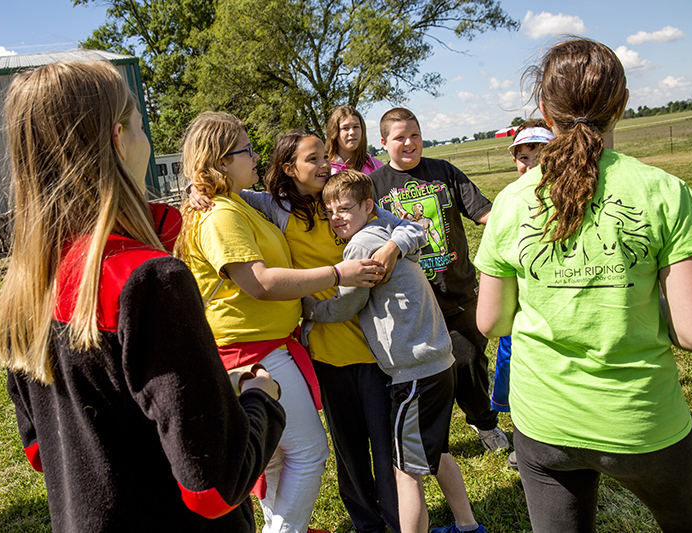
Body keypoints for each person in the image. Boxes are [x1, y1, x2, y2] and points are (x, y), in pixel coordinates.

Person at [0, 61, 285, 533]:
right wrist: (259, 397)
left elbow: (43, 450)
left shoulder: (28, 278)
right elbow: (214, 487)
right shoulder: (148, 280)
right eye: (138, 120)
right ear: (119, 139)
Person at [475, 38, 692, 532]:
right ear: (622, 104)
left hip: (544, 422)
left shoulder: (512, 202)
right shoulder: (665, 191)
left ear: (543, 110)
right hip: (642, 421)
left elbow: (491, 321)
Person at [188, 128, 425, 533]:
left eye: (325, 157)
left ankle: (394, 520)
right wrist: (197, 188)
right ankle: (365, 524)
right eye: (312, 158)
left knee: (384, 450)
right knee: (346, 452)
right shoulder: (273, 207)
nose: (325, 165)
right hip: (322, 350)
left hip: (374, 348)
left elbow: (410, 227)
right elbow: (226, 201)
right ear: (288, 169)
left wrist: (392, 247)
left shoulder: (344, 197)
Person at [301, 169, 487, 533]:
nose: (336, 217)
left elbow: (344, 307)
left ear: (368, 205)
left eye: (344, 209)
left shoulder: (359, 246)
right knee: (438, 452)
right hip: (437, 359)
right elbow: (413, 226)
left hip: (412, 371)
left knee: (406, 473)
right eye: (330, 211)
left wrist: (306, 308)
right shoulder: (385, 228)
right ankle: (468, 526)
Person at [368, 108, 509, 453]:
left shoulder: (443, 171)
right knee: (425, 372)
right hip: (411, 300)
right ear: (384, 143)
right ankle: (427, 436)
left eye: (414, 135)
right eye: (400, 137)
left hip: (458, 290)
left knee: (469, 360)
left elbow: (483, 213)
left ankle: (483, 421)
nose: (409, 142)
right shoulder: (373, 186)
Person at [490, 119, 555, 471]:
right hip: (517, 310)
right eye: (523, 157)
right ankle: (523, 443)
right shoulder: (511, 201)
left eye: (538, 156)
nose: (529, 165)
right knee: (513, 369)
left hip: (551, 304)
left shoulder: (567, 195)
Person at [326, 105, 385, 175]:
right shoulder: (327, 169)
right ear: (335, 132)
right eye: (345, 128)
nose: (352, 132)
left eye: (356, 127)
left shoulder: (377, 166)